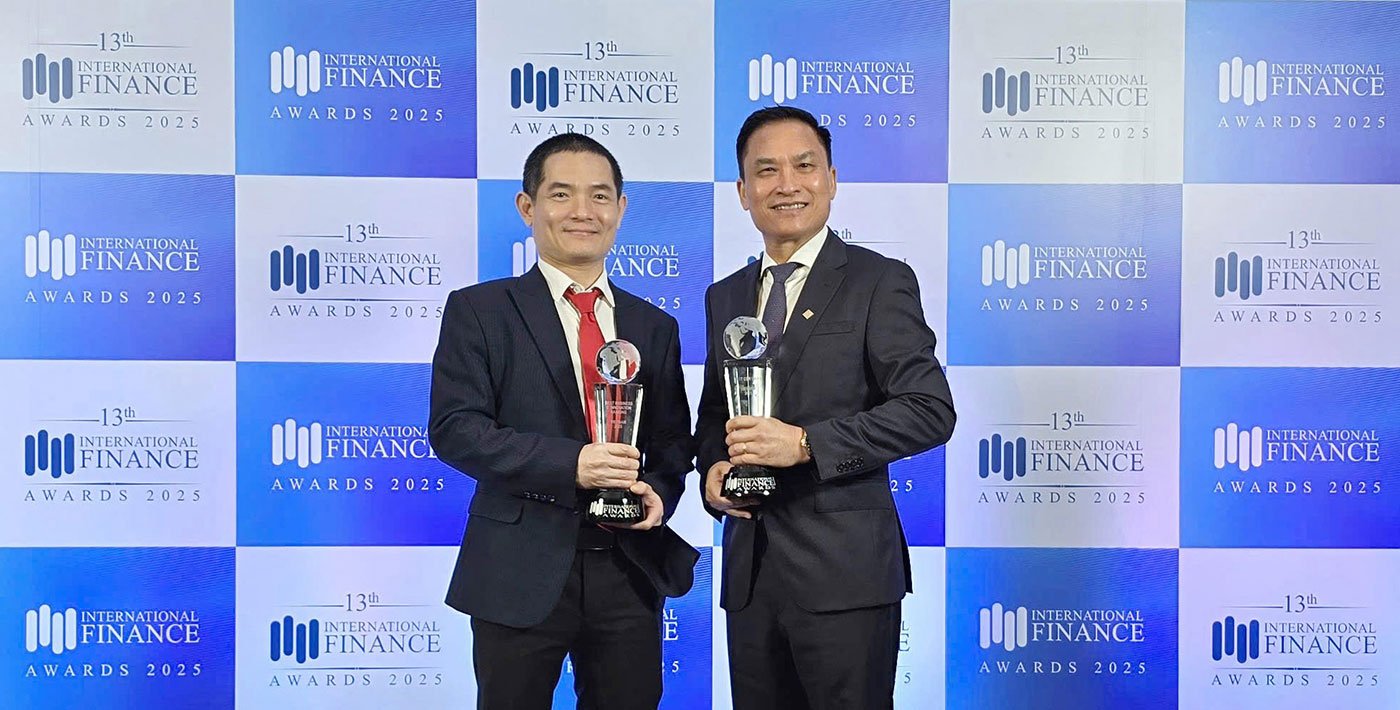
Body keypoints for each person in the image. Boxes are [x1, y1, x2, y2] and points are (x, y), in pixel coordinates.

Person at [696, 106, 956, 709]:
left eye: (804, 166)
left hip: (846, 575)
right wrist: (712, 472)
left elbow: (929, 409)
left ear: (831, 180)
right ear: (742, 191)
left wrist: (805, 444)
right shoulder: (724, 296)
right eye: (766, 170)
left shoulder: (878, 280)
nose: (786, 184)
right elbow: (715, 417)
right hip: (751, 574)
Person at [429, 133, 698, 709]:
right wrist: (573, 464)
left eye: (599, 196)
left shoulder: (654, 326)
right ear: (528, 207)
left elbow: (674, 440)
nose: (582, 211)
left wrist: (657, 491)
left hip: (629, 568)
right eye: (561, 194)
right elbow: (456, 429)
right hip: (516, 568)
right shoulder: (479, 310)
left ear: (620, 209)